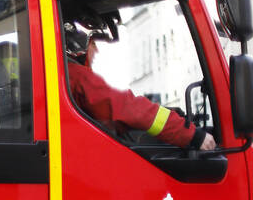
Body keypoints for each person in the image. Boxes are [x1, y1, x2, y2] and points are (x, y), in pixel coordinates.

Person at [64, 26, 216, 150]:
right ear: (77, 45)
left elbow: (113, 120)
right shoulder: (77, 76)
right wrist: (191, 135)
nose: (97, 51)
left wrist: (172, 115)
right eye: (94, 44)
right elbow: (127, 109)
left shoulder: (66, 76)